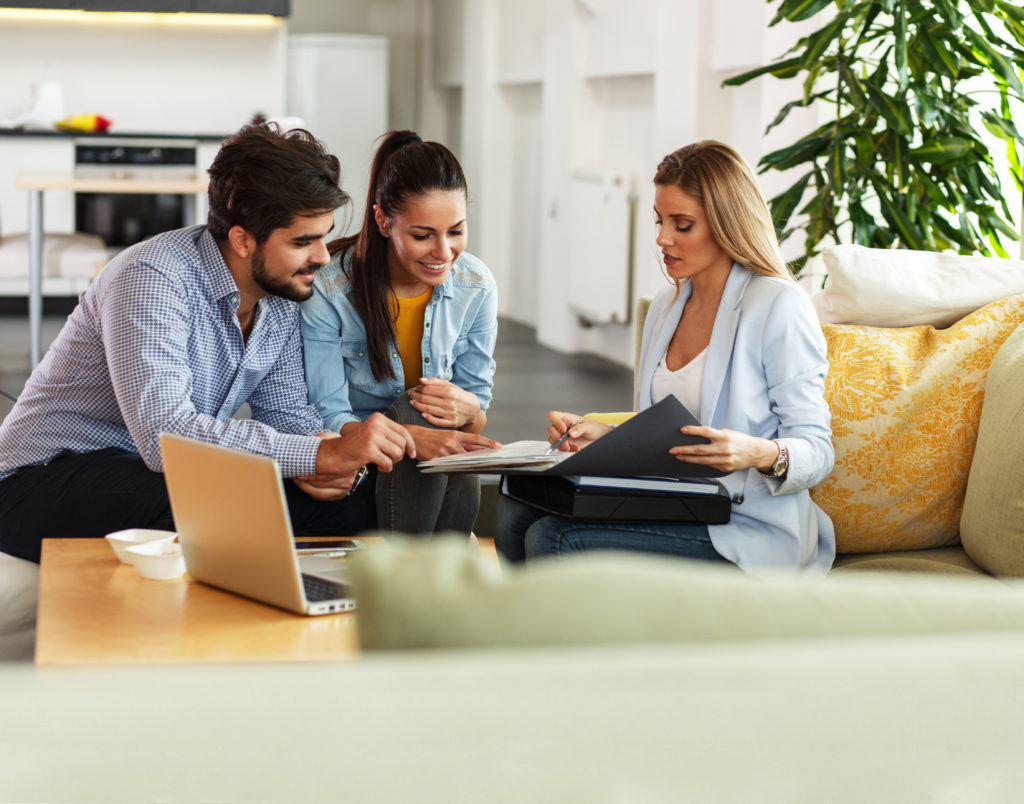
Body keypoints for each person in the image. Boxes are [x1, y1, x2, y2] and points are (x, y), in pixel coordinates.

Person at [0, 124, 415, 564]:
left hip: (149, 471)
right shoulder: (152, 277)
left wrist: (332, 465)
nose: (322, 256)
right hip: (42, 477)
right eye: (302, 241)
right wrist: (317, 453)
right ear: (242, 239)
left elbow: (288, 414)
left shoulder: (280, 298)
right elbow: (166, 435)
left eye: (323, 236)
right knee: (208, 503)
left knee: (348, 506)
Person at [495, 140, 835, 573]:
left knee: (553, 537)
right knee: (513, 511)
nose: (662, 238)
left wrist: (756, 453)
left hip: (746, 526)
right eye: (660, 220)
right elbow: (667, 430)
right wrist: (605, 436)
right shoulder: (664, 307)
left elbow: (818, 451)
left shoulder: (777, 306)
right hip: (676, 504)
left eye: (682, 224)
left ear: (726, 223)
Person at [300, 130, 499, 535]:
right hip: (360, 460)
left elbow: (475, 414)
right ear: (382, 221)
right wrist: (412, 436)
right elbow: (328, 413)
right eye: (422, 235)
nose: (444, 252)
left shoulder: (477, 285)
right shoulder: (330, 287)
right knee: (417, 408)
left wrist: (470, 412)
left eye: (456, 231)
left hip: (433, 471)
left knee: (439, 411)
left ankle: (430, 571)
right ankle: (436, 568)